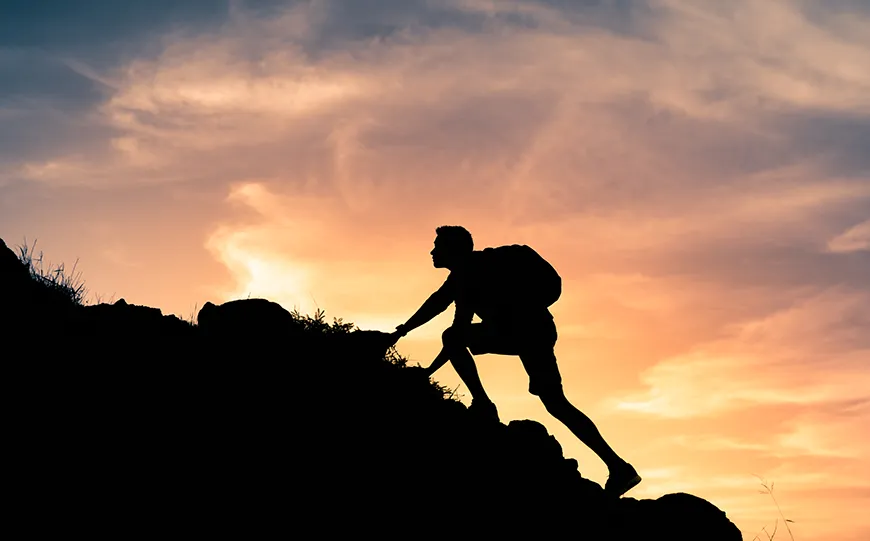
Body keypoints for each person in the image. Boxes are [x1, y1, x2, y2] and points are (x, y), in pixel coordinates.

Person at [390, 225, 641, 497]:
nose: (432, 251)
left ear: (455, 249)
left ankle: (483, 404)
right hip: (537, 332)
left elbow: (450, 327)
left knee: (555, 402)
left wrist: (405, 341)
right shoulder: (465, 278)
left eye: (438, 246)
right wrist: (412, 347)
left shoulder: (471, 274)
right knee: (556, 403)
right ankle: (619, 467)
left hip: (527, 332)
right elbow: (447, 322)